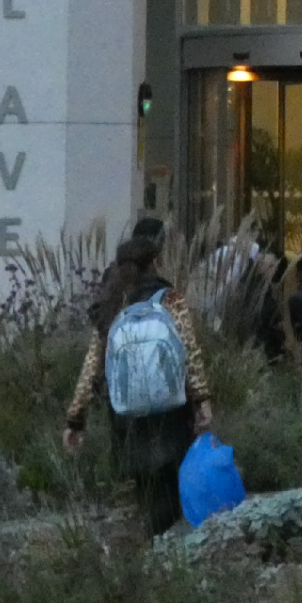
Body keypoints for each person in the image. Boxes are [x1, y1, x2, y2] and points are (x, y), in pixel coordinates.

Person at [64, 220, 212, 534]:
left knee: (144, 489)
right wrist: (202, 401)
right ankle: (167, 547)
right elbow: (190, 352)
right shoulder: (170, 299)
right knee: (172, 486)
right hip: (171, 411)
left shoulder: (113, 305)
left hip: (127, 415)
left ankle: (151, 546)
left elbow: (92, 366)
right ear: (156, 263)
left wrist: (76, 419)